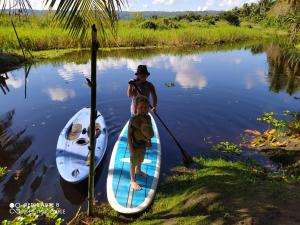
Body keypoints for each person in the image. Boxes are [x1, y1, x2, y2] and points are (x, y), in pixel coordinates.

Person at [128, 95, 154, 190]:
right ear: (136, 108)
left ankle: (138, 171)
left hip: (143, 144)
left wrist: (149, 141)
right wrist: (130, 146)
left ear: (148, 108)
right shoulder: (133, 119)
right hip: (134, 145)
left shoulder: (148, 118)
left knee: (140, 159)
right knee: (133, 162)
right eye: (141, 107)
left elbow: (149, 131)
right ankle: (132, 180)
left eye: (145, 107)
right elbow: (129, 134)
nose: (143, 109)